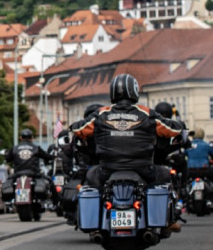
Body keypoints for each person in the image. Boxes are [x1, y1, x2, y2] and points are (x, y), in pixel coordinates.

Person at [71, 74, 183, 232]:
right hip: (143, 169)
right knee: (165, 175)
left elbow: (78, 129)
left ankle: (92, 222)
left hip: (107, 169)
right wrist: (179, 126)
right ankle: (169, 219)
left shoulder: (101, 114)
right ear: (135, 91)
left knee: (90, 178)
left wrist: (75, 128)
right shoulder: (146, 113)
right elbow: (172, 129)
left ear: (112, 92)